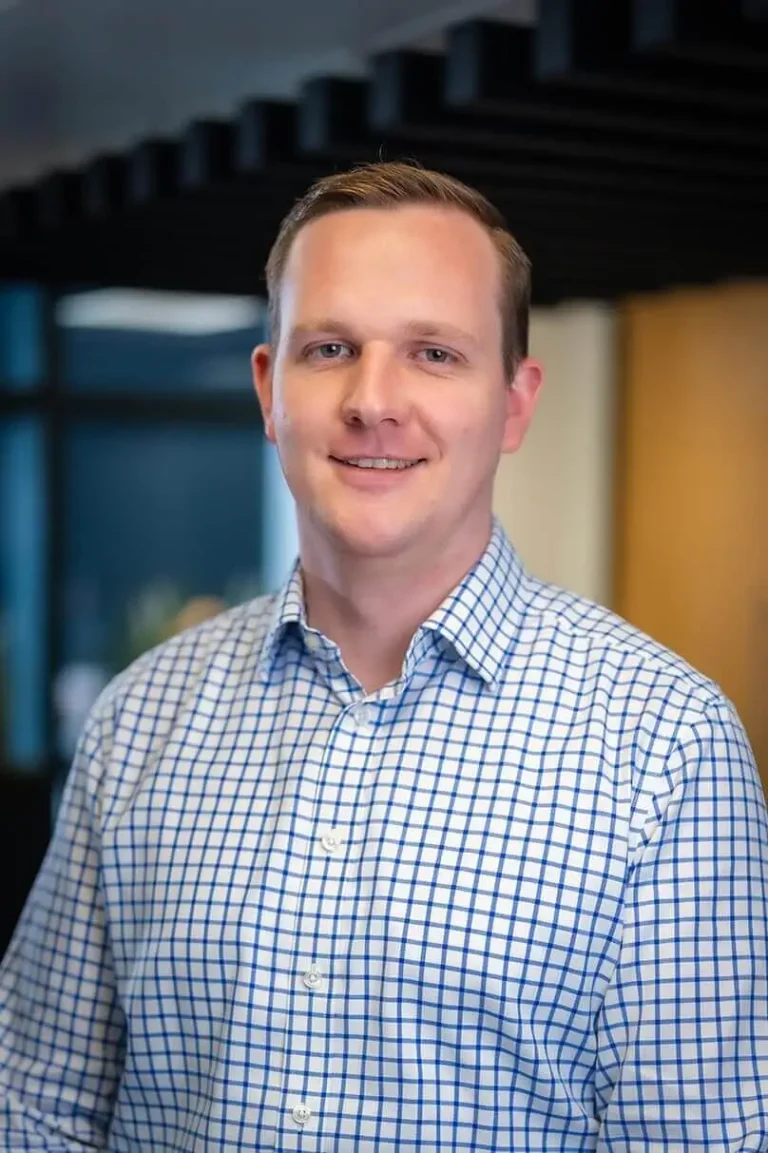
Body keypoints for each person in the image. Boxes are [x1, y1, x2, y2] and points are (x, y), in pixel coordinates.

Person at [1, 161, 766, 1152]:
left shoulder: (665, 745)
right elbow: (39, 1107)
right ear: (270, 389)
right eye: (330, 348)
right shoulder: (140, 716)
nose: (372, 400)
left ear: (515, 402)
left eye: (433, 353)